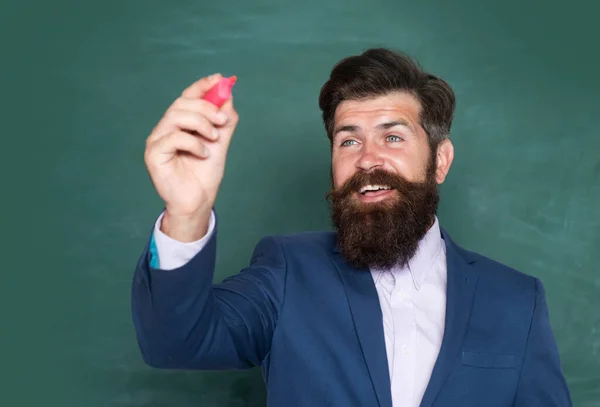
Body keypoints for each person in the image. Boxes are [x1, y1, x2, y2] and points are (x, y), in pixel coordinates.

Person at [131, 48, 572, 407]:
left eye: (393, 136)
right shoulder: (287, 272)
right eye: (348, 140)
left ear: (440, 161)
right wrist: (186, 212)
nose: (367, 158)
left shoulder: (517, 300)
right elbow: (174, 343)